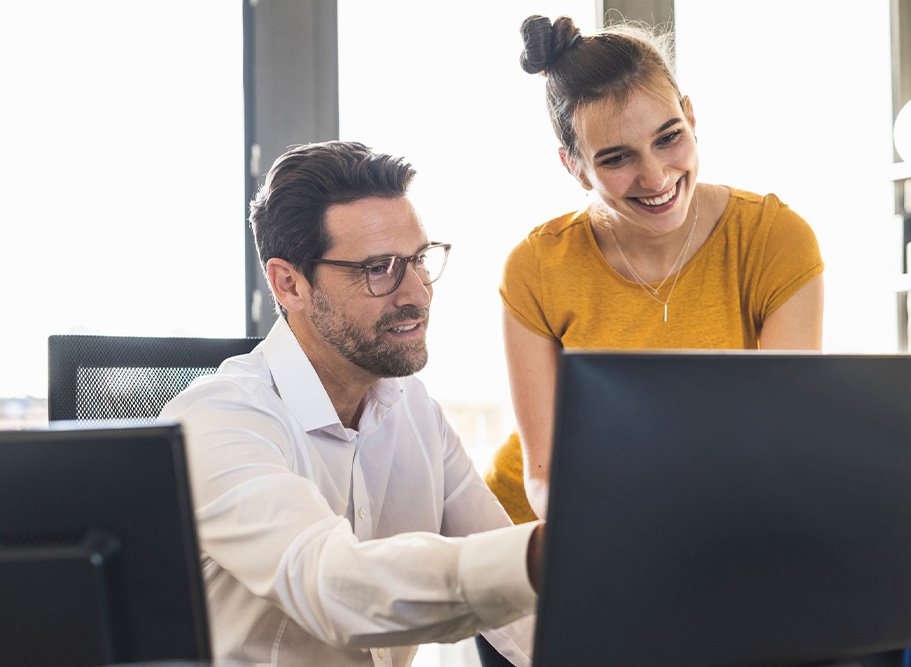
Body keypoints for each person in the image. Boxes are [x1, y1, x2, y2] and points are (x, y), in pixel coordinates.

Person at [160, 141, 542, 666]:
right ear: (289, 284)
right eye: (379, 269)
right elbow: (332, 588)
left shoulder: (413, 410)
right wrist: (541, 557)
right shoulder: (216, 422)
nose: (418, 293)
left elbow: (522, 609)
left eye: (419, 260)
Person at [484, 15, 825, 524]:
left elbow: (778, 440)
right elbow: (545, 473)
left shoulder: (773, 239)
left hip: (703, 512)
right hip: (551, 523)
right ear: (575, 168)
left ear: (689, 115)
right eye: (617, 158)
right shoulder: (536, 266)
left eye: (668, 138)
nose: (656, 176)